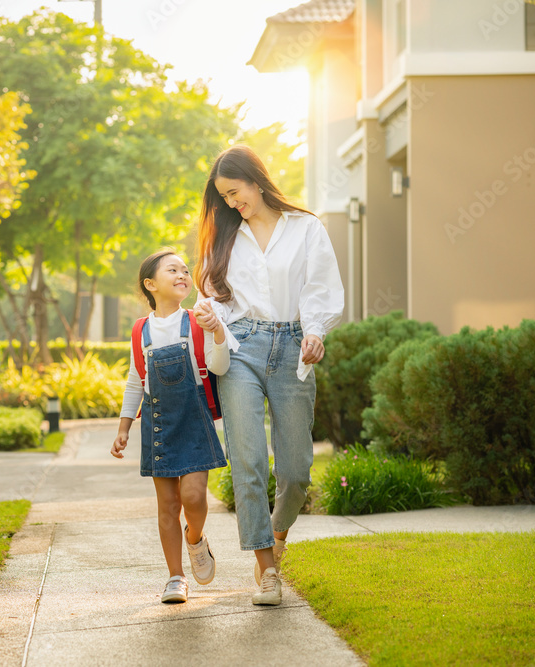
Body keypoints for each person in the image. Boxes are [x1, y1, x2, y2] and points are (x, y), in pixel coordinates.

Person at [193, 145, 344, 606]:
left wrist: (315, 333)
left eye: (235, 192)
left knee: (297, 470)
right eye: (225, 197)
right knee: (249, 461)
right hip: (240, 348)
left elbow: (321, 289)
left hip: (293, 348)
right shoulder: (224, 237)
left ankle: (276, 537)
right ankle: (265, 570)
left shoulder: (306, 228)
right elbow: (214, 297)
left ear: (256, 180)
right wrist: (208, 316)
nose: (233, 203)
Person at [111, 249, 230, 604]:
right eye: (172, 270)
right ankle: (176, 577)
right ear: (151, 284)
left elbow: (219, 368)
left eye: (184, 270)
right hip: (158, 421)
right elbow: (136, 382)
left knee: (193, 497)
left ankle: (195, 538)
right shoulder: (140, 330)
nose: (182, 274)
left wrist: (219, 332)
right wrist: (124, 427)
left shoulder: (197, 321)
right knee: (167, 504)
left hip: (195, 419)